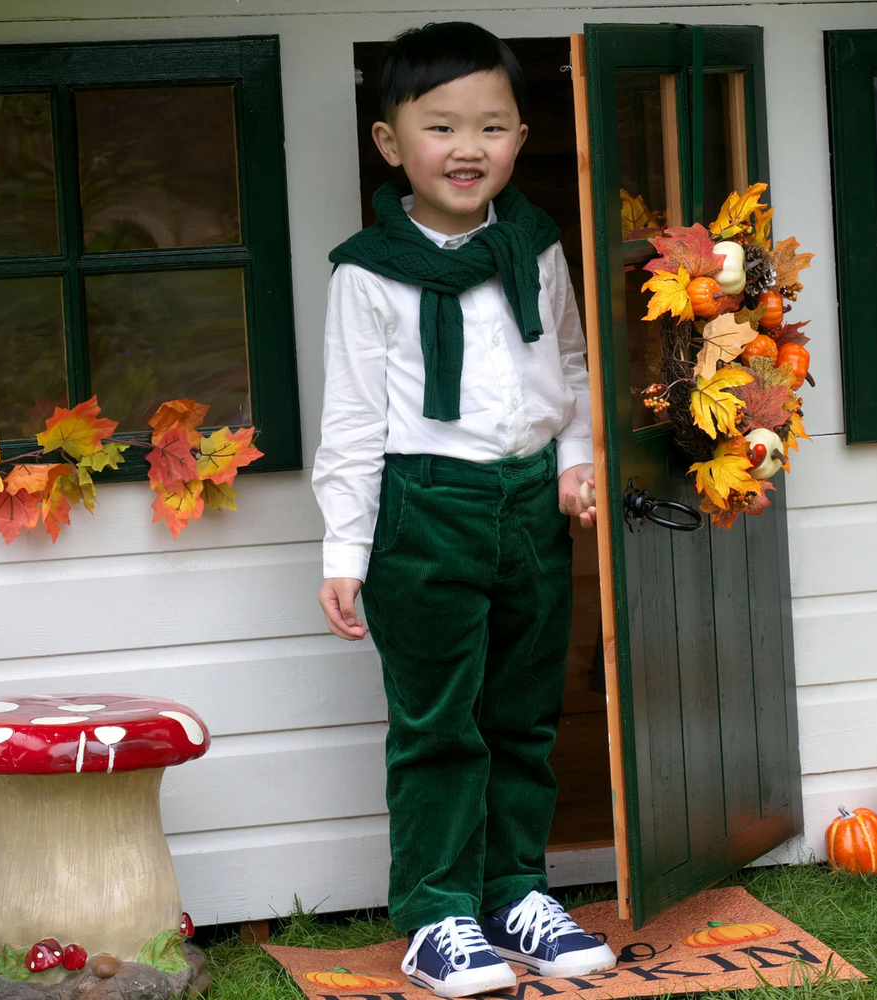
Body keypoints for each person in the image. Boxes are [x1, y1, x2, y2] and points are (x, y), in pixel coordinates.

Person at [312, 21, 615, 998]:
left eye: (491, 126)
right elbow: (353, 418)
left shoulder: (534, 247)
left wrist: (574, 463)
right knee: (440, 720)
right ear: (391, 142)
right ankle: (437, 909)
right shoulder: (368, 271)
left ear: (522, 138)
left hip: (527, 501)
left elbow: (564, 365)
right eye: (441, 126)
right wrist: (345, 547)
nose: (468, 147)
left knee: (524, 707)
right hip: (423, 508)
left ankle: (514, 888)